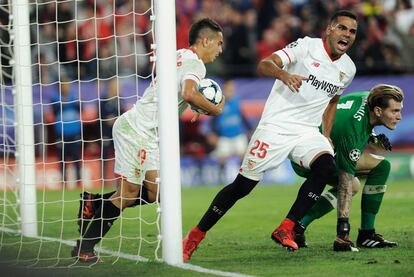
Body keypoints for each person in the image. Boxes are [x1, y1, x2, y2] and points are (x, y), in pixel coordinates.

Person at [182, 10, 358, 261]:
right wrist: (285, 75)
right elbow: (264, 64)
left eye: (352, 31)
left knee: (328, 168)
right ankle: (194, 237)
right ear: (330, 29)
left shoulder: (348, 68)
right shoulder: (306, 47)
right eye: (342, 28)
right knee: (242, 187)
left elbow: (332, 101)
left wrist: (326, 136)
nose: (347, 35)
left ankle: (287, 227)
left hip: (307, 131)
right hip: (275, 126)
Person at [71, 18, 225, 262]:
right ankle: (85, 247)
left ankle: (94, 202)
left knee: (156, 193)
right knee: (129, 194)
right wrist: (213, 109)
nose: (220, 49)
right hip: (137, 130)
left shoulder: (180, 55)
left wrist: (195, 105)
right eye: (218, 43)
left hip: (145, 131)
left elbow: (179, 93)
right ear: (205, 40)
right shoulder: (196, 66)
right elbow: (188, 92)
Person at [292, 84, 403, 250]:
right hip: (308, 157)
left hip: (310, 144)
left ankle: (366, 234)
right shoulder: (352, 131)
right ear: (378, 111)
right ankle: (299, 225)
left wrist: (371, 136)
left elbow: (346, 116)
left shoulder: (369, 96)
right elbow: (345, 182)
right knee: (352, 185)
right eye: (394, 111)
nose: (399, 116)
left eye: (399, 110)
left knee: (381, 166)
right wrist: (342, 232)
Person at [207, 79, 251, 183]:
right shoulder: (219, 103)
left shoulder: (237, 102)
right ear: (224, 90)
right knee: (222, 157)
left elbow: (242, 117)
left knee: (243, 155)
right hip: (224, 136)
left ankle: (243, 179)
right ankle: (221, 179)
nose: (231, 91)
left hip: (238, 134)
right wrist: (212, 133)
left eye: (232, 89)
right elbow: (213, 119)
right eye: (229, 89)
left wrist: (249, 130)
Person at [51, 79, 82, 187]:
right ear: (60, 87)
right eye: (64, 85)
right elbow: (54, 111)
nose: (66, 87)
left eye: (67, 85)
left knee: (76, 158)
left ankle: (78, 181)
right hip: (61, 133)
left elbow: (80, 110)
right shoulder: (55, 98)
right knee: (62, 159)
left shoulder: (75, 97)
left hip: (74, 132)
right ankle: (64, 182)